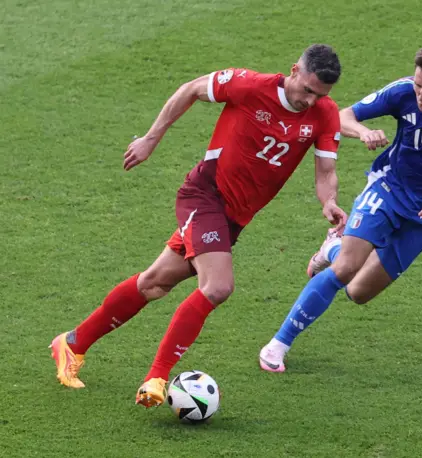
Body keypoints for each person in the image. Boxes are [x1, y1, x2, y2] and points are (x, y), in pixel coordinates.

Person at [49, 44, 347, 407]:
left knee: (155, 282)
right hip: (206, 195)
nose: (310, 100)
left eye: (320, 95)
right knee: (218, 286)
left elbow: (326, 172)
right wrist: (150, 139)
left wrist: (328, 201)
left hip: (235, 217)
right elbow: (190, 89)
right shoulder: (248, 85)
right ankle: (157, 377)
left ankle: (72, 344)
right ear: (294, 71)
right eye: (307, 90)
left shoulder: (325, 113)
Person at [259, 43, 422, 372]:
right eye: (418, 85)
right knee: (345, 270)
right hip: (388, 188)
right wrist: (362, 132)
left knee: (358, 292)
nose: (420, 95)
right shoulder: (403, 91)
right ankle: (277, 345)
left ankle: (332, 248)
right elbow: (342, 115)